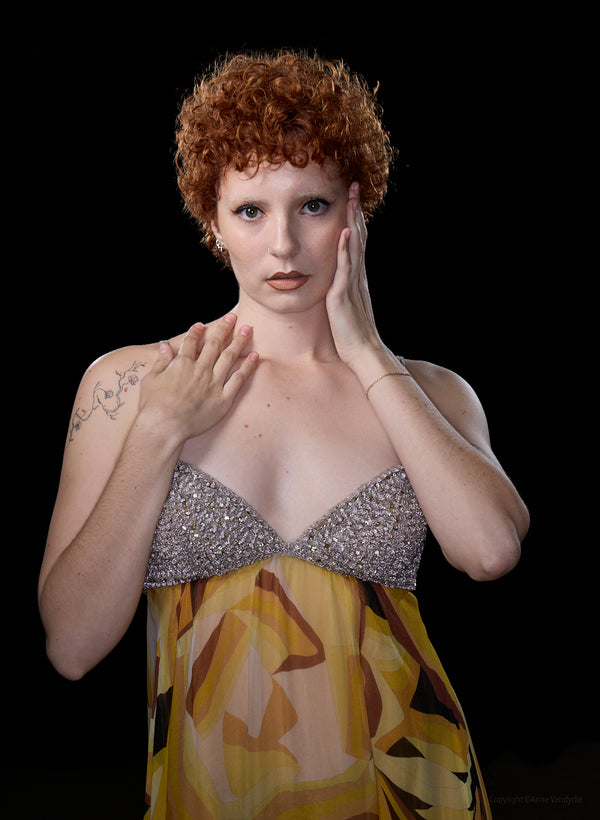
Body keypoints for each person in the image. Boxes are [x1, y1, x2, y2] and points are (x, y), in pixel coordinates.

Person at [39, 50, 529, 818]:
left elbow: (491, 551)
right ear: (211, 221)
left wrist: (368, 355)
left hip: (409, 794)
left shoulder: (430, 391)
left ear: (354, 211)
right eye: (250, 211)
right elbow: (70, 647)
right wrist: (157, 433)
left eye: (312, 205)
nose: (282, 247)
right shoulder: (130, 386)